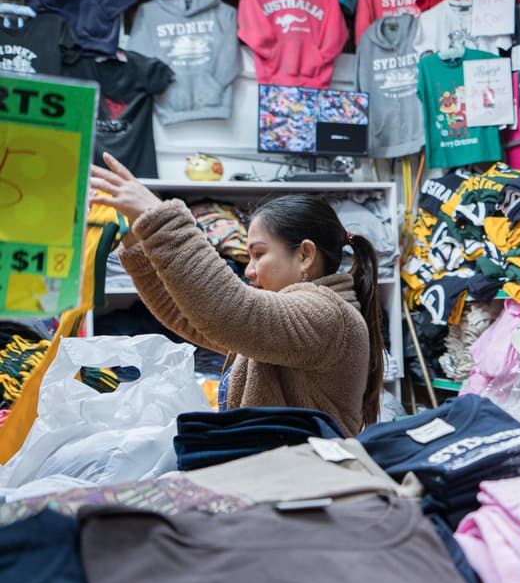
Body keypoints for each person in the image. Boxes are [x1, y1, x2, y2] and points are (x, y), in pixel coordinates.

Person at [90, 153, 384, 436]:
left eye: (259, 254)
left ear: (305, 255)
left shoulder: (329, 315)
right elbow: (188, 314)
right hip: (289, 475)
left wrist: (159, 219)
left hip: (307, 481)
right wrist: (137, 239)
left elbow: (227, 311)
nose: (249, 271)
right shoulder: (295, 319)